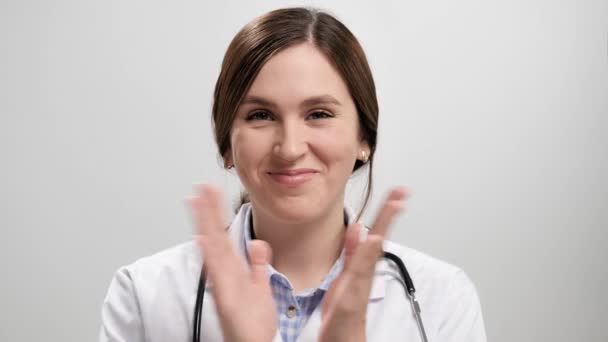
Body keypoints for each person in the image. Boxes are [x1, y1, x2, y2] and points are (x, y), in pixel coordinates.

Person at [99, 7, 487, 342]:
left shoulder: (443, 298)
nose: (290, 147)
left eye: (318, 114)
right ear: (226, 146)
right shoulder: (145, 295)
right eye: (260, 115)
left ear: (363, 137)